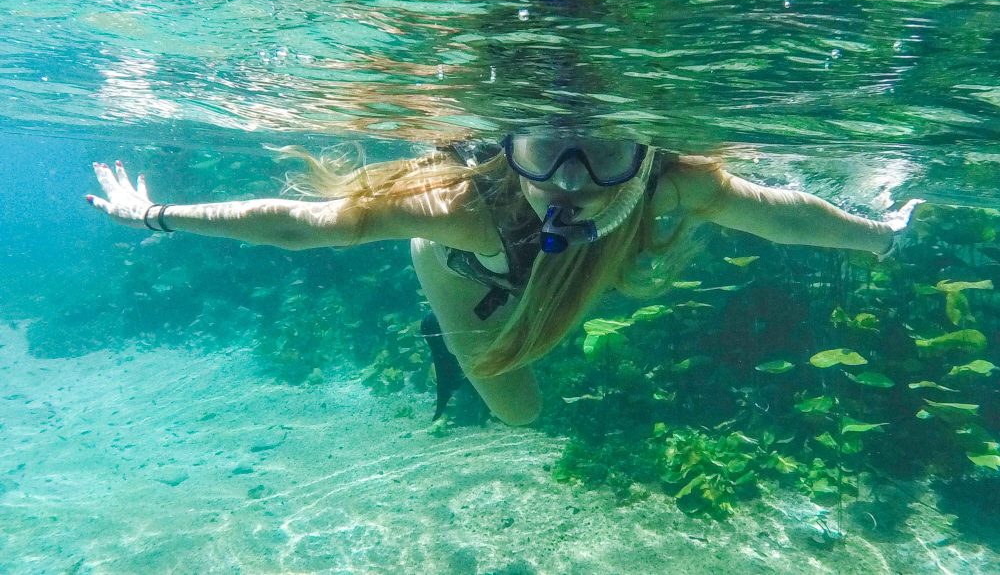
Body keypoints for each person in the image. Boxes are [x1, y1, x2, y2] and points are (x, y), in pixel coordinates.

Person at [87, 132, 919, 426]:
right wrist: (157, 216)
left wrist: (876, 236)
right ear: (507, 149)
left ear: (646, 151)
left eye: (603, 154)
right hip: (468, 280)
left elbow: (783, 213)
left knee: (647, 277)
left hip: (587, 273)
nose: (569, 180)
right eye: (543, 151)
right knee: (519, 414)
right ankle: (444, 346)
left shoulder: (678, 183)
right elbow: (304, 227)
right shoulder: (461, 209)